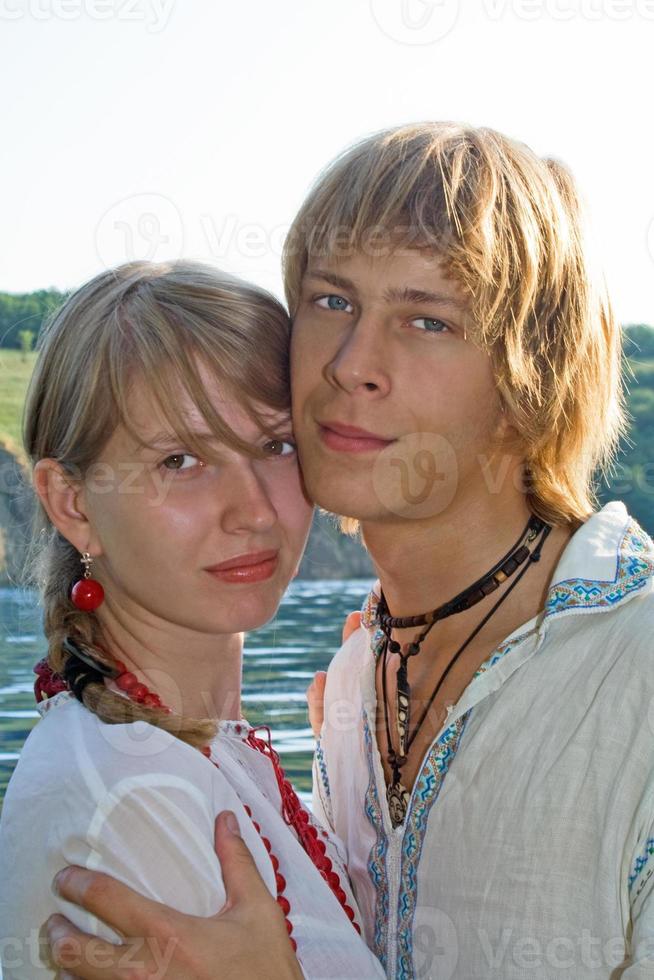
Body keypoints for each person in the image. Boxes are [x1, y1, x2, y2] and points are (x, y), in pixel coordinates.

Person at [43, 122, 654, 979]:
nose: (352, 364)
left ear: (532, 379)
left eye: (427, 319)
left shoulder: (637, 675)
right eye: (332, 301)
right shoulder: (359, 679)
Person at [0, 259, 387, 979]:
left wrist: (356, 774)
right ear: (73, 504)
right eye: (181, 459)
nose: (255, 510)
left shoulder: (207, 753)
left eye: (276, 445)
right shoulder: (127, 794)